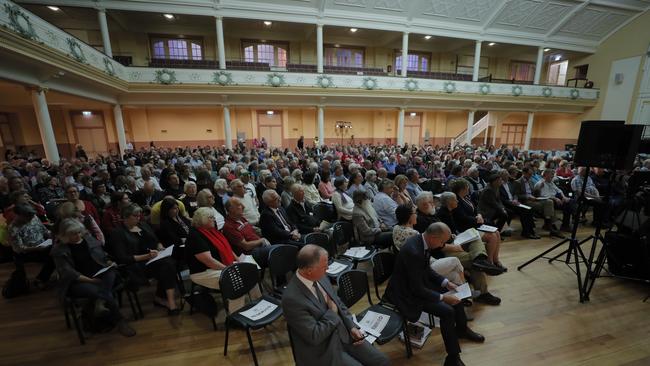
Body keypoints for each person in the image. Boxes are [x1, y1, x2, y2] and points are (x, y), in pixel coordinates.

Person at [385, 223, 484, 366]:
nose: (442, 245)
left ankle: (461, 330)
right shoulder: (414, 251)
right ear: (433, 237)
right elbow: (417, 289)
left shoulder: (422, 241)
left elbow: (427, 270)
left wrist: (446, 283)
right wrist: (443, 297)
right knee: (447, 311)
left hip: (418, 285)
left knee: (456, 295)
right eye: (442, 241)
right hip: (406, 294)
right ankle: (452, 358)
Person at [281, 244, 390, 366]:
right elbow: (315, 335)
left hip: (344, 333)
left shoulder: (320, 276)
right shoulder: (291, 299)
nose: (327, 268)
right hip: (323, 349)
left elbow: (338, 303)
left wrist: (351, 326)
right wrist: (332, 313)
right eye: (324, 266)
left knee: (382, 361)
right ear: (310, 270)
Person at [51, 218, 136, 337]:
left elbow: (102, 255)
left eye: (79, 232)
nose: (78, 235)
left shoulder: (88, 239)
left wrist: (108, 261)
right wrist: (91, 280)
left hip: (98, 274)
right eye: (73, 234)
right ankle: (120, 320)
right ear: (64, 235)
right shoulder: (59, 250)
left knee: (111, 272)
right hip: (78, 281)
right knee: (101, 291)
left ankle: (100, 303)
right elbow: (68, 273)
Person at [110, 204, 179, 315]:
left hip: (153, 258)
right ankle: (167, 301)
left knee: (169, 263)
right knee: (167, 265)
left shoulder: (143, 225)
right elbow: (123, 258)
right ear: (126, 217)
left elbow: (156, 240)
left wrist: (160, 247)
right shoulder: (117, 233)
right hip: (136, 264)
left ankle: (164, 299)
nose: (138, 218)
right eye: (135, 216)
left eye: (139, 215)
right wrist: (147, 256)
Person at [186, 207, 254, 311]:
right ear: (202, 219)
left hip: (221, 265)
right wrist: (229, 269)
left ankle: (256, 303)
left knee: (250, 271)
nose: (214, 219)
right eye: (211, 217)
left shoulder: (213, 231)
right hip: (204, 271)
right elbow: (209, 261)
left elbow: (228, 248)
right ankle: (235, 314)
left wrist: (238, 262)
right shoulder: (195, 236)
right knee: (235, 281)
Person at [393, 204, 465, 285]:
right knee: (455, 261)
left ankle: (462, 293)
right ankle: (465, 290)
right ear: (410, 216)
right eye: (415, 213)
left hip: (416, 266)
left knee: (454, 275)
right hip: (422, 269)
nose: (416, 215)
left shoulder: (396, 228)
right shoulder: (412, 233)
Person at [449, 179, 504, 270]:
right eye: (467, 187)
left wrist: (479, 215)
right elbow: (462, 218)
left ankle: (496, 259)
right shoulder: (456, 200)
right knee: (492, 236)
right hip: (465, 228)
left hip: (474, 224)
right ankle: (489, 262)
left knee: (497, 233)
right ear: (462, 189)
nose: (469, 188)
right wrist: (476, 219)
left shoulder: (466, 197)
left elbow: (475, 209)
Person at [8, 204, 55, 289]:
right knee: (53, 256)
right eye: (27, 217)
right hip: (28, 252)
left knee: (61, 250)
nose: (30, 219)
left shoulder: (33, 217)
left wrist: (51, 236)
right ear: (19, 215)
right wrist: (37, 248)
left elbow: (44, 230)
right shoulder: (13, 228)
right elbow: (19, 248)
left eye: (31, 216)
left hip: (43, 245)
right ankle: (40, 279)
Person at [222, 197, 271, 268]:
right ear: (231, 209)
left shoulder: (241, 218)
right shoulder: (228, 226)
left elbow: (253, 232)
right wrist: (261, 240)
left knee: (280, 248)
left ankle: (280, 278)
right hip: (249, 253)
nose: (243, 207)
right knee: (277, 251)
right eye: (239, 205)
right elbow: (246, 246)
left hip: (259, 246)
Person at [513, 167, 563, 238]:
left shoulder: (530, 181)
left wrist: (539, 189)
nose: (530, 176)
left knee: (549, 202)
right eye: (529, 174)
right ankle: (551, 226)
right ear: (524, 173)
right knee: (548, 206)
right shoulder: (518, 182)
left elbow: (534, 193)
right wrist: (528, 197)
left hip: (534, 199)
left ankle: (549, 225)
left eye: (531, 174)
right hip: (525, 201)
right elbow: (517, 195)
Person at [498, 169, 539, 239]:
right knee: (524, 211)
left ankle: (530, 230)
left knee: (529, 209)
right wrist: (512, 202)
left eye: (507, 174)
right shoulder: (499, 185)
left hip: (514, 202)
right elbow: (502, 199)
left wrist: (515, 199)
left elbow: (514, 194)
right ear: (501, 176)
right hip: (507, 204)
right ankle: (527, 232)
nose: (508, 176)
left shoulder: (509, 184)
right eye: (505, 175)